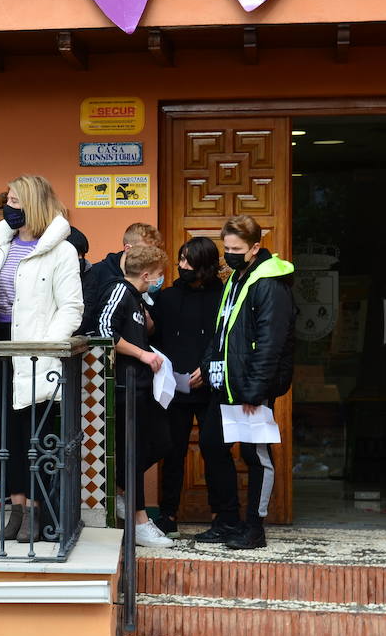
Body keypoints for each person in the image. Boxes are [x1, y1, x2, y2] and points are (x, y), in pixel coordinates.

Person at [0, 175, 84, 543]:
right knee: (7, 434)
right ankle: (16, 509)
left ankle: (37, 511)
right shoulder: (0, 243)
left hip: (36, 351)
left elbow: (71, 307)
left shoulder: (61, 250)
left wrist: (47, 346)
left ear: (33, 204)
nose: (8, 207)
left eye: (15, 201)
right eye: (8, 199)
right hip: (1, 346)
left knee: (35, 435)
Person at [194, 214, 294, 550]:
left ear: (255, 247)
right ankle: (227, 521)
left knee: (255, 455)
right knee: (211, 445)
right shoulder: (238, 278)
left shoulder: (269, 282)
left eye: (237, 249)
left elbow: (270, 343)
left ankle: (254, 527)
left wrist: (255, 389)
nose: (230, 255)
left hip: (251, 386)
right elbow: (223, 330)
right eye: (227, 248)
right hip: (225, 383)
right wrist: (207, 364)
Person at [97, 244, 174, 548]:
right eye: (158, 275)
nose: (160, 280)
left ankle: (119, 491)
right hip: (123, 387)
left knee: (159, 443)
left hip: (141, 387)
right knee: (133, 452)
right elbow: (105, 331)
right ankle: (139, 519)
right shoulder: (119, 290)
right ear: (145, 275)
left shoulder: (137, 298)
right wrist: (142, 354)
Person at [150, 236, 223, 537]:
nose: (182, 265)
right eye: (181, 259)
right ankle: (168, 515)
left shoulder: (223, 297)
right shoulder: (166, 297)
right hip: (175, 389)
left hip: (212, 386)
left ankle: (221, 516)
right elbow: (155, 340)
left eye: (188, 261)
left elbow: (226, 340)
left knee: (216, 452)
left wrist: (207, 369)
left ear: (204, 264)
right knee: (173, 452)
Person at [80, 222, 162, 333]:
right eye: (146, 252)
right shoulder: (96, 274)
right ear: (128, 249)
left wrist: (150, 326)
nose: (152, 257)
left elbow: (153, 328)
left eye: (155, 252)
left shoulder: (152, 279)